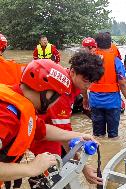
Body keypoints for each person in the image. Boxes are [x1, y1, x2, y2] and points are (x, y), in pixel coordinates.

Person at [0, 59, 101, 185]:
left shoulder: (23, 107)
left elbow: (42, 130)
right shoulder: (6, 116)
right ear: (47, 92)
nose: (56, 102)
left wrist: (78, 136)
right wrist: (31, 168)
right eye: (57, 97)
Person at [28, 50, 104, 188]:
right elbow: (64, 138)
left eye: (92, 82)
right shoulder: (61, 93)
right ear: (73, 72)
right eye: (86, 81)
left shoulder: (67, 79)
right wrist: (83, 168)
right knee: (50, 180)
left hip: (46, 131)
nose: (88, 86)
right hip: (44, 141)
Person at [89, 32, 126, 138]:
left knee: (98, 136)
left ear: (96, 44)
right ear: (111, 44)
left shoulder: (90, 60)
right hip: (112, 103)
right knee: (113, 136)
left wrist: (85, 99)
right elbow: (123, 84)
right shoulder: (116, 61)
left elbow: (83, 83)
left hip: (95, 102)